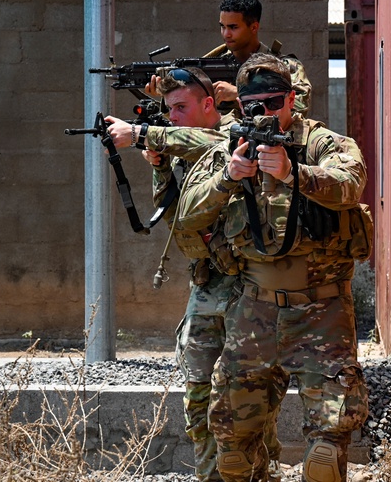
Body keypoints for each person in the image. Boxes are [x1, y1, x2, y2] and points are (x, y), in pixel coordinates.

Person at [176, 54, 370, 482]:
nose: (263, 113)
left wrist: (292, 172)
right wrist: (227, 177)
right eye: (252, 105)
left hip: (321, 313)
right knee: (232, 449)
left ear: (292, 99)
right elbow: (186, 218)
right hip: (254, 313)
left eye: (273, 101)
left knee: (324, 453)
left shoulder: (322, 143)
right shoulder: (231, 146)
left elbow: (351, 183)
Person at [102, 67, 288, 482]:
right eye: (169, 110)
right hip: (206, 286)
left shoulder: (236, 136)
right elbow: (173, 213)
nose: (174, 117)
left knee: (251, 397)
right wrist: (159, 165)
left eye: (182, 107)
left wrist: (144, 135)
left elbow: (210, 145)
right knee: (199, 393)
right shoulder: (179, 143)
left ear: (209, 105)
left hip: (249, 288)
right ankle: (211, 474)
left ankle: (260, 472)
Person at [147, 0, 312, 116]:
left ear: (254, 27)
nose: (226, 34)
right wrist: (168, 96)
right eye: (222, 26)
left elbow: (300, 106)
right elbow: (188, 119)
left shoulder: (284, 66)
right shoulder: (212, 64)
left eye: (233, 27)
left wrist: (239, 93)